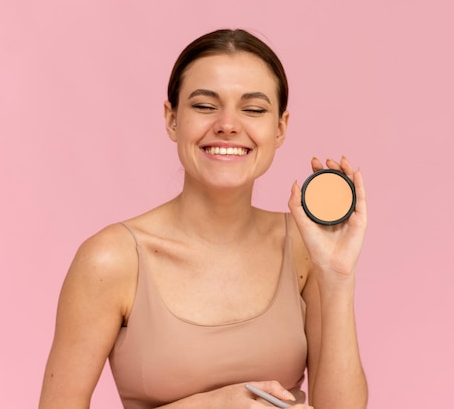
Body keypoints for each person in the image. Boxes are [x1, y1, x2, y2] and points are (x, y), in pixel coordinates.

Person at [39, 28, 368, 409]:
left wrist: (338, 278)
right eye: (204, 106)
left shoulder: (304, 248)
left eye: (254, 109)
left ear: (280, 128)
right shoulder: (111, 260)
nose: (228, 124)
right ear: (172, 119)